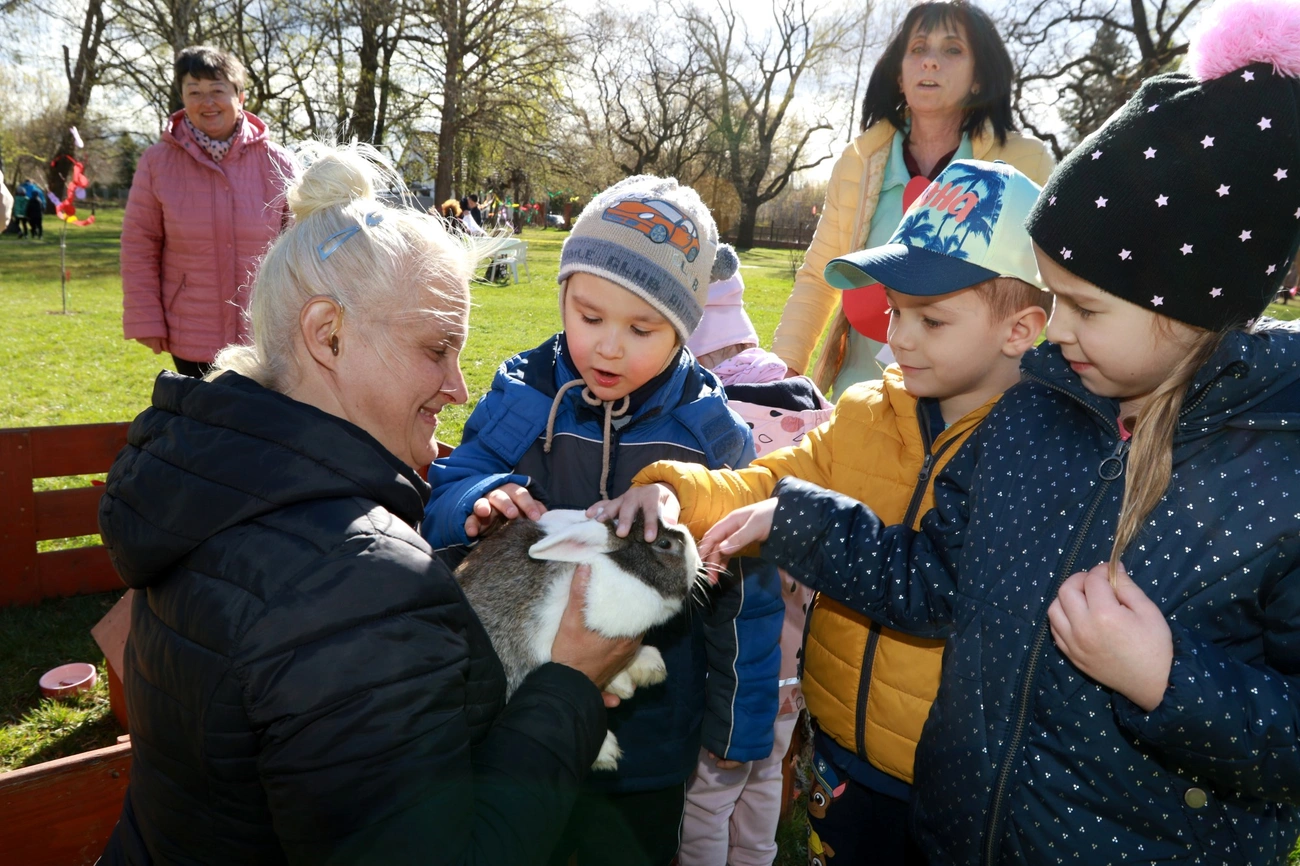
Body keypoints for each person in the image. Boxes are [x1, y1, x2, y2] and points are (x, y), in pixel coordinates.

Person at [697, 1, 1300, 861]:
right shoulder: (1035, 410)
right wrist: (797, 520)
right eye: (1053, 298)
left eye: (1084, 307)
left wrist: (1168, 680)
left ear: (1193, 303)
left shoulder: (1279, 474)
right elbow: (937, 577)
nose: (1055, 330)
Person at [96, 142, 638, 866]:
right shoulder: (358, 583)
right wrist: (569, 684)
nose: (458, 388)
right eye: (436, 349)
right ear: (329, 335)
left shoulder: (204, 491)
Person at [609, 160, 1051, 865]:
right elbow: (770, 482)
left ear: (1019, 329)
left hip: (962, 781)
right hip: (841, 750)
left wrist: (791, 521)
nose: (897, 339)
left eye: (931, 319)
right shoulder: (866, 414)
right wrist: (675, 491)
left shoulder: (1041, 450)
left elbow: (953, 586)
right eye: (895, 310)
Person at [421, 176, 772, 866]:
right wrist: (479, 501)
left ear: (684, 328)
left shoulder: (710, 434)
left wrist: (741, 720)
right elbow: (448, 488)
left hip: (651, 735)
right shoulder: (524, 393)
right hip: (518, 718)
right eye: (589, 316)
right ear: (562, 297)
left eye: (641, 330)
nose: (609, 348)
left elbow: (748, 582)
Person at [772, 0, 1054, 398]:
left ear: (979, 78)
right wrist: (783, 371)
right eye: (918, 48)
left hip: (975, 409)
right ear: (899, 76)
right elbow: (819, 278)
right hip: (859, 400)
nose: (930, 62)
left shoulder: (1027, 161)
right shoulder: (858, 161)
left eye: (952, 49)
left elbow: (1051, 286)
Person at [671, 246, 832, 866]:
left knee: (709, 795)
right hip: (800, 655)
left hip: (736, 658)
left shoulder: (718, 417)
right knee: (767, 778)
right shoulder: (812, 408)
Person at [120, 45, 293, 379]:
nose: (207, 102)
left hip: (265, 333)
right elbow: (139, 245)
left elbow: (301, 246)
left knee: (262, 412)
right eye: (194, 92)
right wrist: (146, 318)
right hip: (190, 332)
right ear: (183, 99)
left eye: (217, 90)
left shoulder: (278, 162)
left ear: (240, 96)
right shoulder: (157, 163)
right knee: (203, 413)